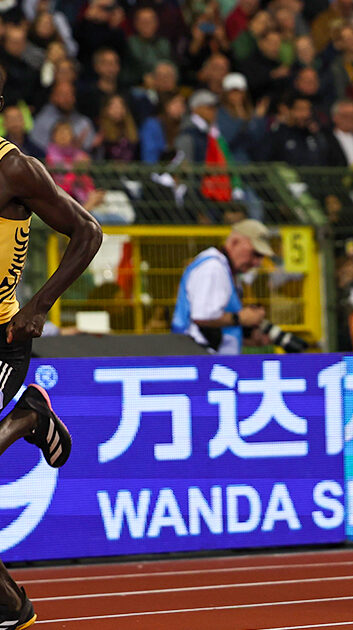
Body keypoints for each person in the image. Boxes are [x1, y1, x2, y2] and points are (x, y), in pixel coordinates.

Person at [0, 67, 104, 628]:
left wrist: (39, 305)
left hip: (4, 339)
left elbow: (88, 231)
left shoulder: (14, 167)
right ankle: (11, 608)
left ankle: (29, 416)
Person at [171, 219, 273, 354]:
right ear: (234, 242)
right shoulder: (213, 268)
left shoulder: (226, 269)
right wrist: (242, 318)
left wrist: (249, 337)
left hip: (210, 361)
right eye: (255, 254)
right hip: (200, 361)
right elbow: (203, 316)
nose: (257, 263)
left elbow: (212, 329)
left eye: (261, 257)